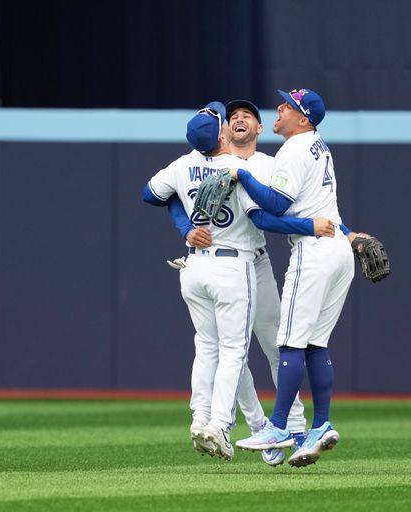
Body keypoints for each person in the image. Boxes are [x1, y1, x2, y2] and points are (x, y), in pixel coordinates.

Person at [142, 102, 335, 461]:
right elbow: (169, 198)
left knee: (268, 345)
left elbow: (158, 192)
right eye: (233, 117)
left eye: (248, 115)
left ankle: (291, 427)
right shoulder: (225, 165)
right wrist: (187, 229)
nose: (240, 118)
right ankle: (258, 425)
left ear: (259, 129)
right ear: (224, 132)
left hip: (247, 263)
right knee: (234, 350)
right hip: (233, 265)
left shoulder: (266, 164)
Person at [234, 88, 355, 467]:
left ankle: (279, 425)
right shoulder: (319, 143)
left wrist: (242, 175)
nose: (281, 107)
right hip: (337, 247)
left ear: (303, 119)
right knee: (316, 344)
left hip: (314, 250)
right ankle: (319, 425)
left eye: (289, 106)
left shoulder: (295, 148)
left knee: (289, 341)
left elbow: (275, 204)